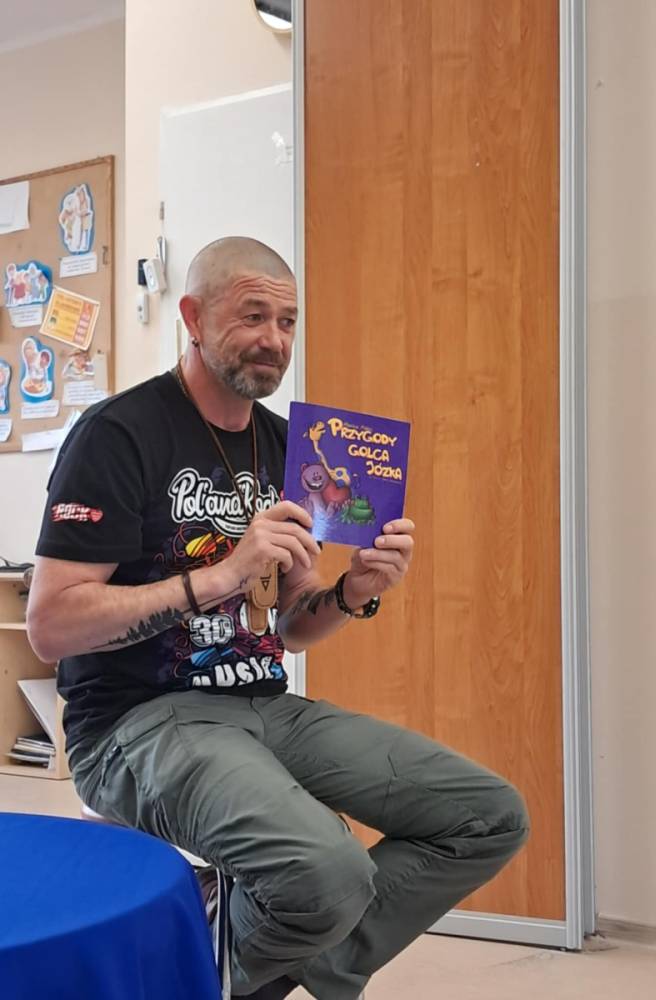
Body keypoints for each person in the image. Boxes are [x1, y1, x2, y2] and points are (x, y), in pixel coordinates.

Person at [27, 237, 530, 1000]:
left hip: (263, 704)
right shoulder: (118, 434)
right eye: (253, 315)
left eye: (288, 321)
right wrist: (221, 575)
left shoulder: (288, 445)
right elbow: (51, 626)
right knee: (329, 870)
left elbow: (293, 623)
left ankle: (253, 960)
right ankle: (214, 964)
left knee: (488, 815)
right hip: (135, 722)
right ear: (192, 318)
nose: (274, 339)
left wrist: (354, 591)